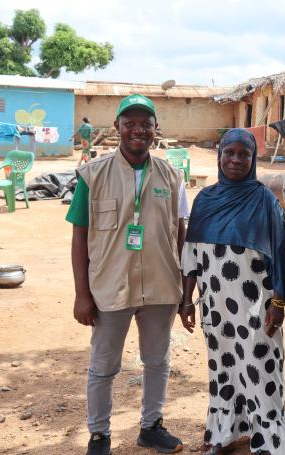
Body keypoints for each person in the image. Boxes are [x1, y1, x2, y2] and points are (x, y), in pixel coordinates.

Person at [66, 94, 188, 455]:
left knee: (157, 362)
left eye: (145, 123)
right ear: (117, 127)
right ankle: (99, 435)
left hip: (162, 287)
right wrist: (82, 293)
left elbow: (181, 232)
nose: (138, 130)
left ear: (155, 130)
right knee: (103, 366)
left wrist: (185, 292)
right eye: (130, 123)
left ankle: (151, 426)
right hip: (109, 289)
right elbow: (79, 235)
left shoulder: (172, 176)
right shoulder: (93, 175)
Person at [178, 128, 285, 455]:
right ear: (219, 156)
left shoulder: (263, 200)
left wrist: (278, 301)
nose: (235, 160)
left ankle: (271, 438)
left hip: (255, 304)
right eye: (229, 153)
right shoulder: (205, 199)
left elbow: (282, 252)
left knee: (260, 367)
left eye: (243, 154)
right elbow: (191, 256)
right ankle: (223, 434)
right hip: (215, 305)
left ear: (252, 159)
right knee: (223, 366)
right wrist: (186, 300)